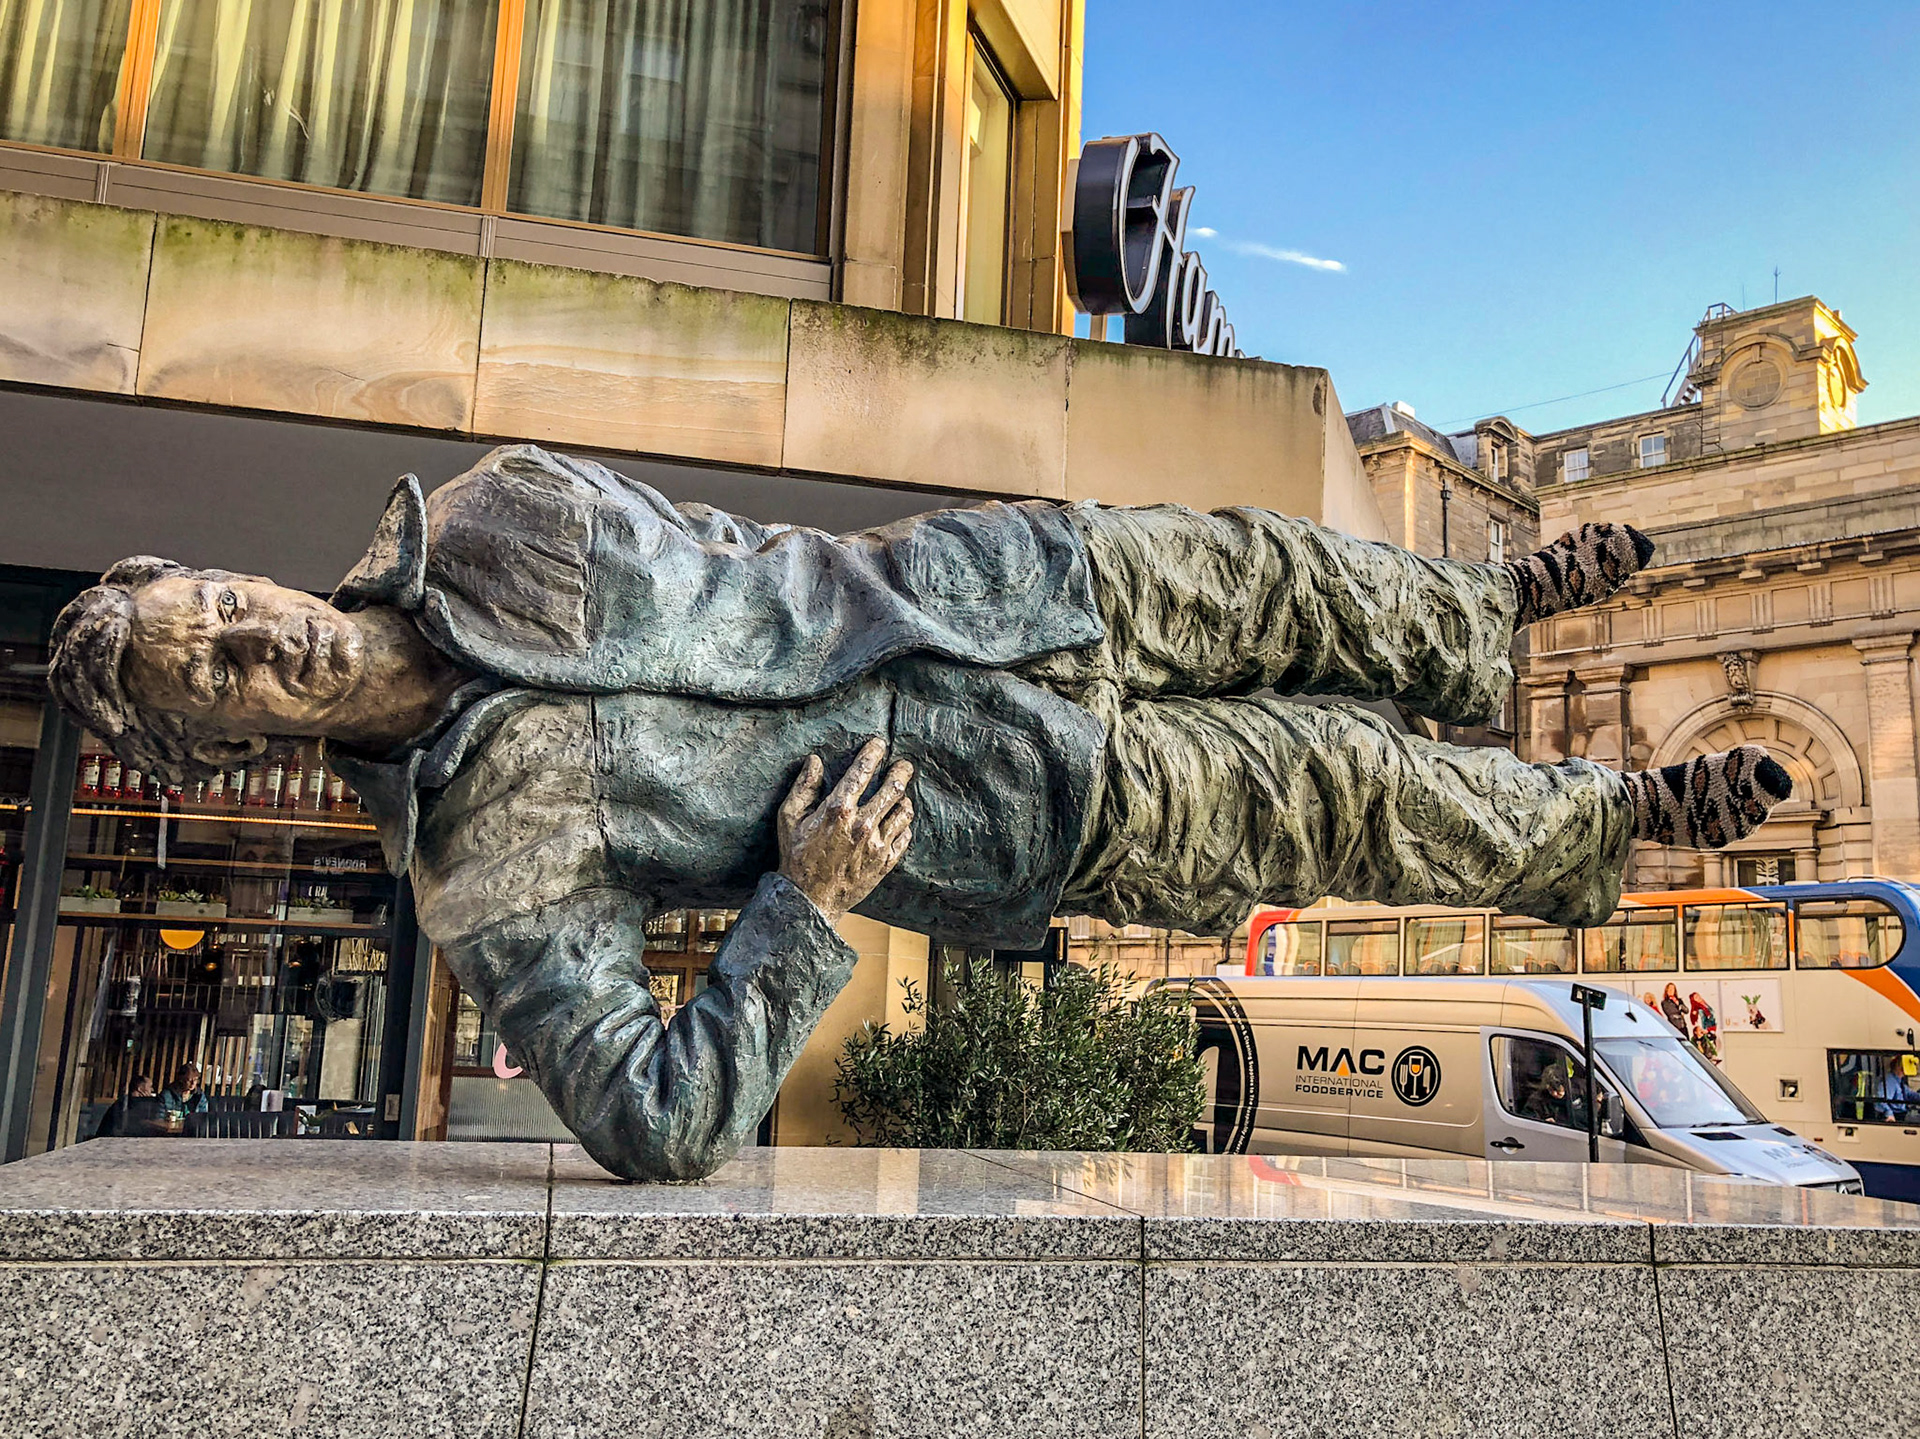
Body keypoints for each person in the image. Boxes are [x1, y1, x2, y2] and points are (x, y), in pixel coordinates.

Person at [44, 444, 1793, 1180]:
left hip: (1000, 580)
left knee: (1281, 575)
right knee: (1332, 797)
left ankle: (1484, 614)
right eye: (216, 677)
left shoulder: (500, 507)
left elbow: (732, 544)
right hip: (997, 804)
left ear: (231, 572)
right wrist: (805, 903)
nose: (253, 638)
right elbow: (662, 1121)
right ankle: (1618, 815)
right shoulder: (481, 860)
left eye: (217, 607)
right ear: (216, 753)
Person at [92, 1073, 157, 1138]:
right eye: (150, 1086)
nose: (152, 1090)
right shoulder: (125, 1105)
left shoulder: (131, 1103)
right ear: (140, 1089)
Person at [159, 1062, 209, 1132]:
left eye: (195, 1080)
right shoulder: (167, 1095)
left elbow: (203, 1117)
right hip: (169, 1132)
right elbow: (159, 1119)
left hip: (193, 1132)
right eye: (189, 1080)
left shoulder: (199, 1095)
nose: (193, 1083)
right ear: (181, 1079)